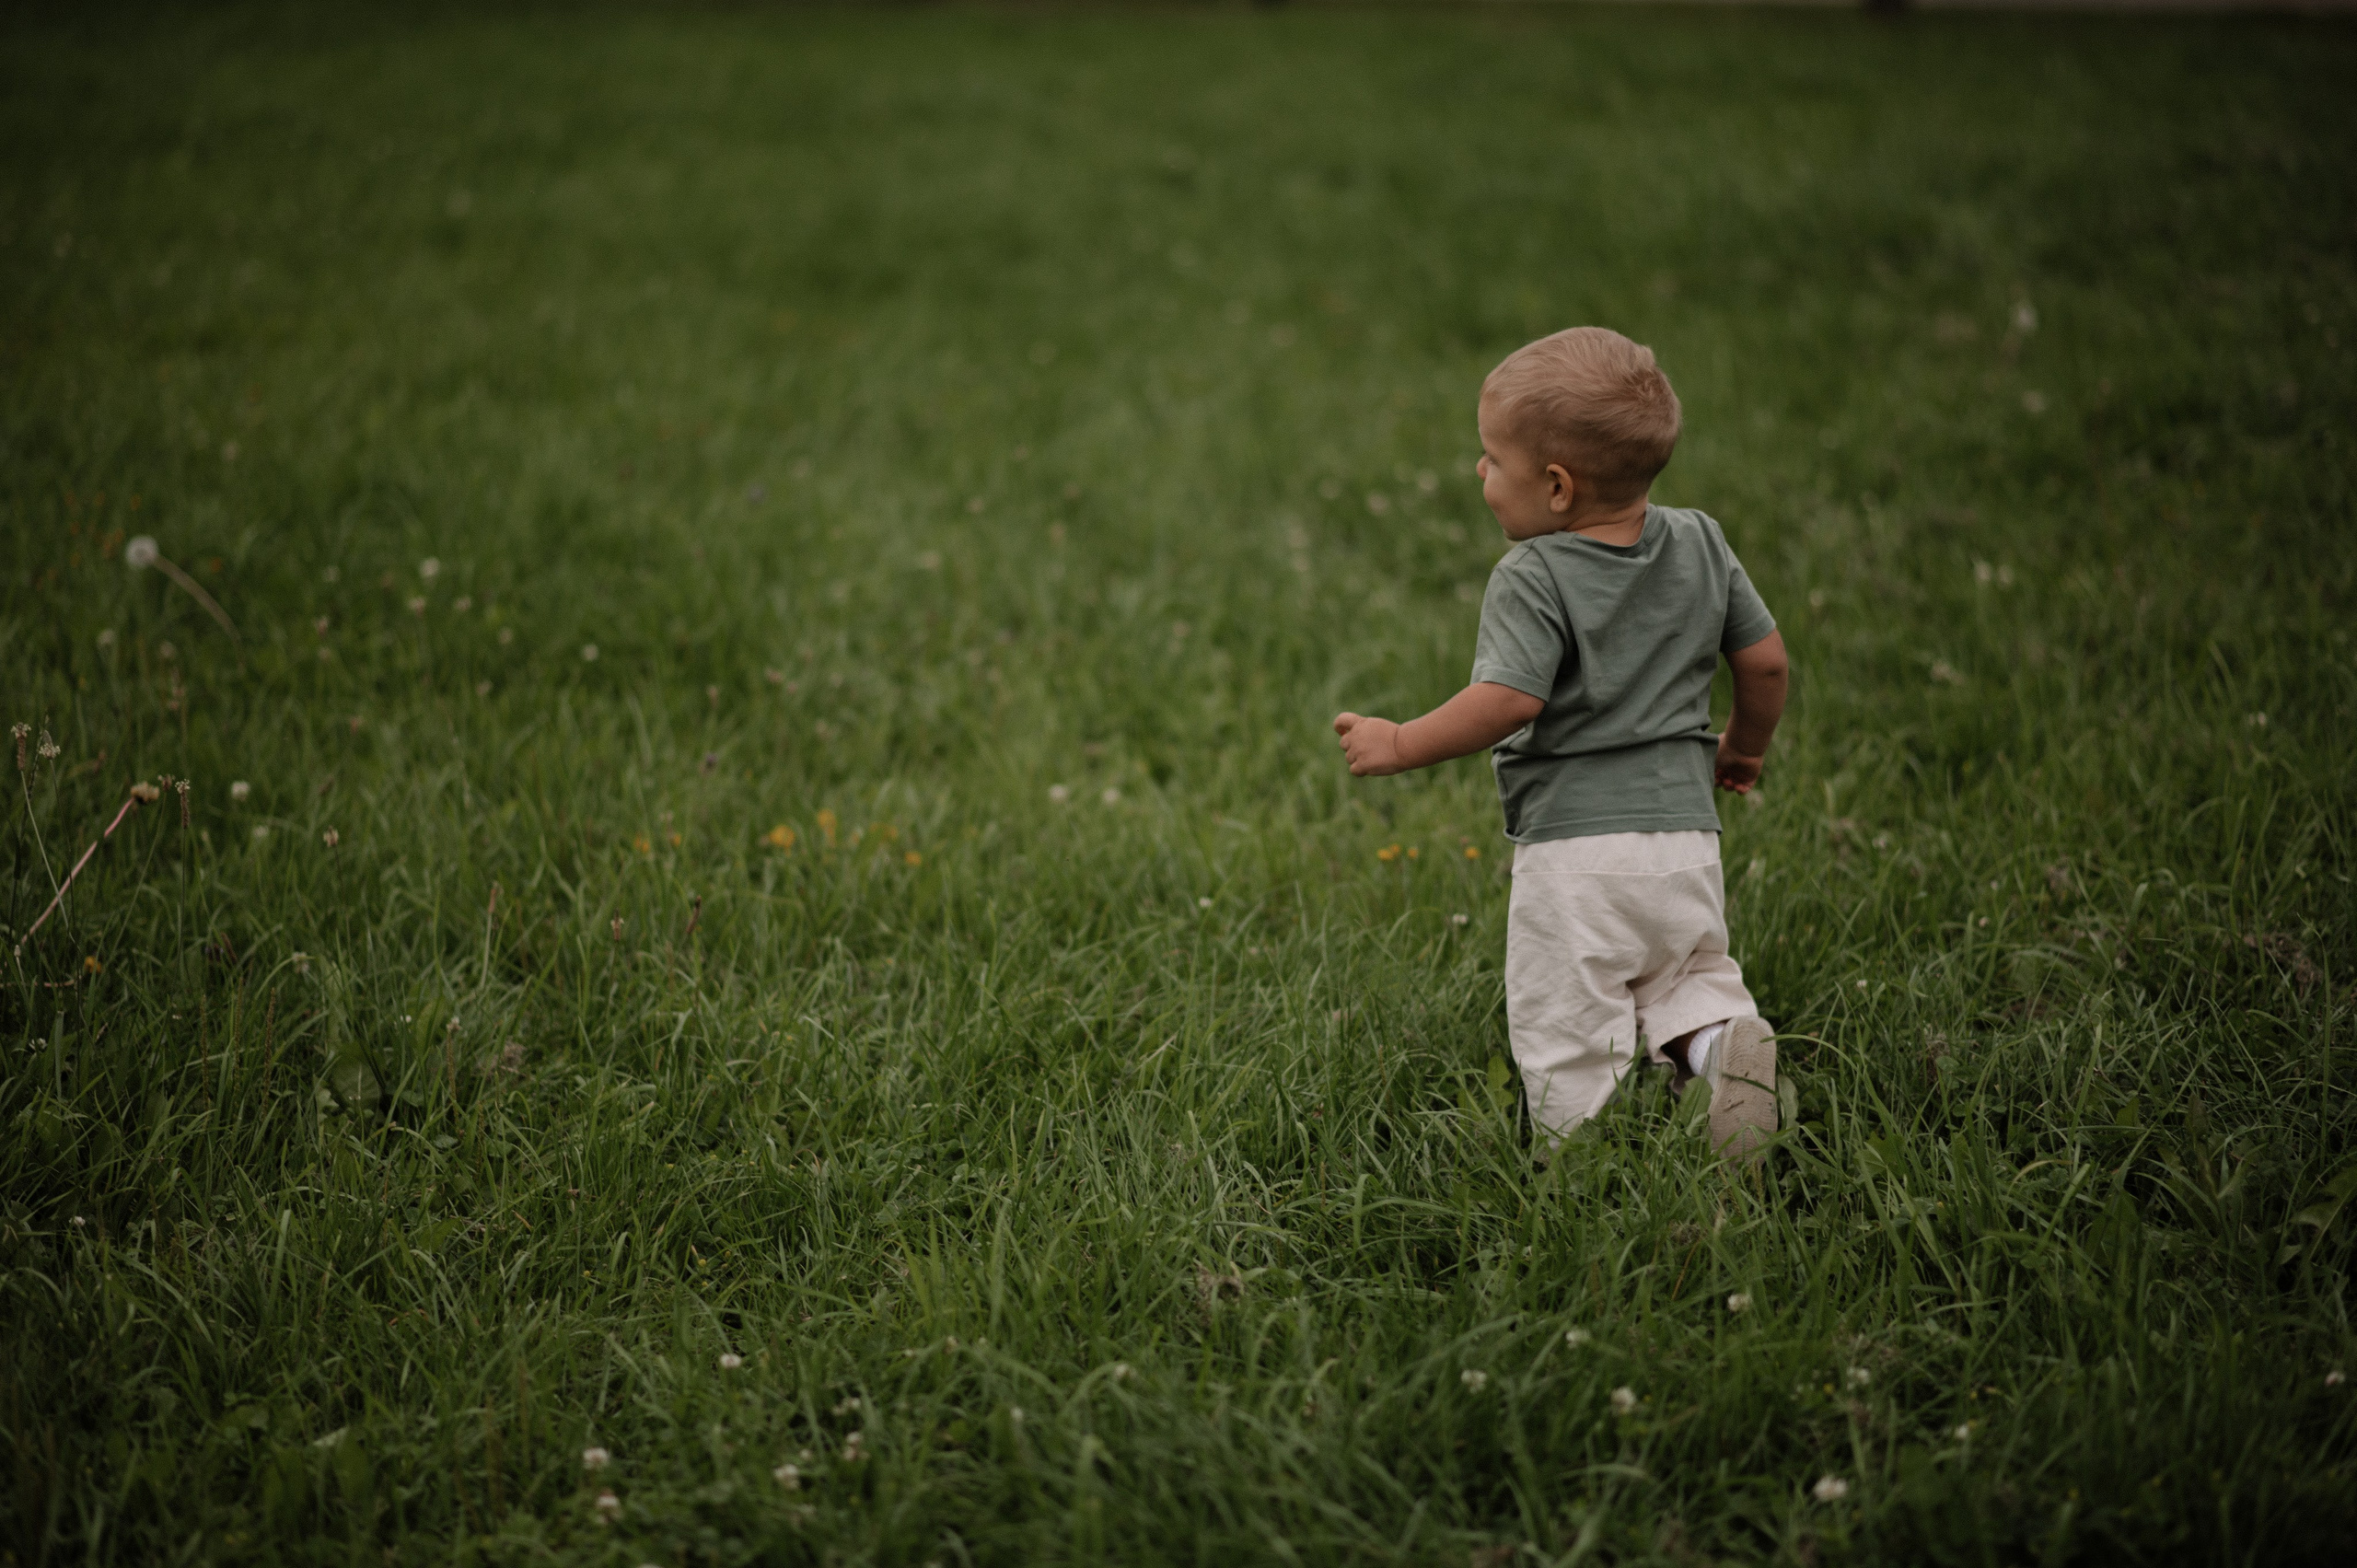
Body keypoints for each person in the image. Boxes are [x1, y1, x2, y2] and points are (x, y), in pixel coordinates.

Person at [1333, 327, 1789, 1159]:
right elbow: (1764, 661)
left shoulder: (1534, 575)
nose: (1480, 471)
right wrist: (1742, 750)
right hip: (1686, 839)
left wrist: (1400, 742)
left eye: (1492, 459)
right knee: (1683, 977)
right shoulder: (1701, 541)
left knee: (1566, 1017)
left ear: (1554, 486)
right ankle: (1721, 1052)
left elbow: (1508, 699)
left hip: (1576, 853)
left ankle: (1581, 1169)